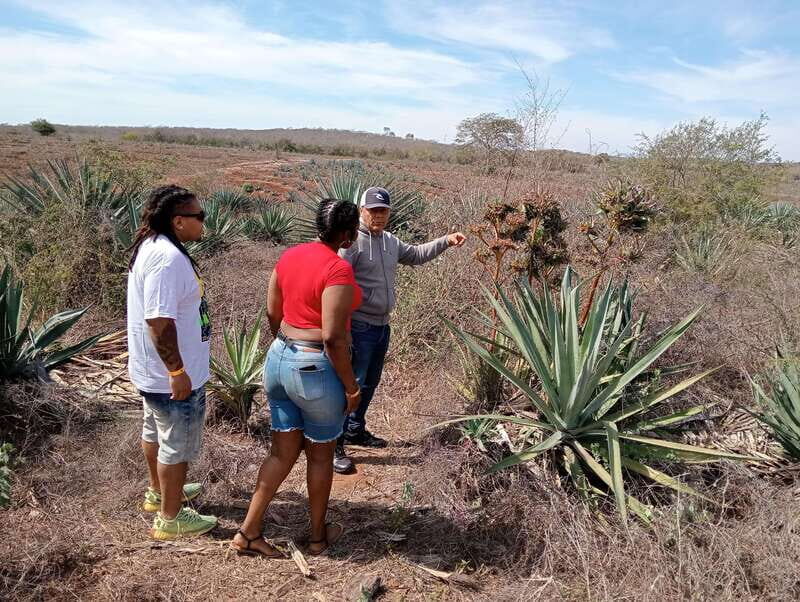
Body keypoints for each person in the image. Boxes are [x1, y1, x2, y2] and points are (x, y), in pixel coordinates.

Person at [231, 199, 362, 557]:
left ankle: (248, 532)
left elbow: (273, 311)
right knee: (320, 457)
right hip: (315, 367)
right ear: (349, 236)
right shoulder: (338, 270)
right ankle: (318, 538)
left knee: (281, 453)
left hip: (278, 359)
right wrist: (351, 386)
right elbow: (334, 337)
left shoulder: (289, 256)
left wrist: (287, 346)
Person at [333, 187, 466, 473]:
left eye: (383, 211)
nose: (378, 216)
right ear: (361, 211)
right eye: (373, 210)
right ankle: (334, 442)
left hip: (382, 326)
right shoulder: (352, 244)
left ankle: (355, 429)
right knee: (351, 385)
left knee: (369, 382)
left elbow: (416, 254)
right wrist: (346, 325)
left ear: (389, 213)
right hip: (359, 326)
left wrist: (446, 240)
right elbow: (339, 283)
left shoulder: (391, 242)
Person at [127, 185, 217, 540]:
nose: (203, 223)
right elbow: (159, 323)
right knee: (176, 444)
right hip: (172, 377)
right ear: (178, 222)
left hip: (153, 372)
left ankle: (158, 493)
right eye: (199, 217)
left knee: (155, 432)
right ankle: (170, 517)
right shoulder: (167, 258)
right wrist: (177, 372)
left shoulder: (153, 245)